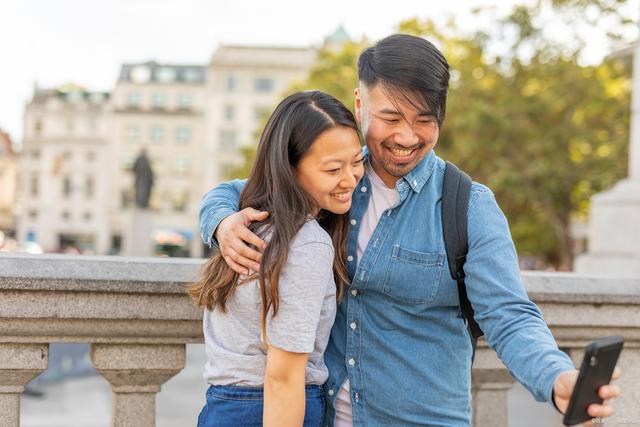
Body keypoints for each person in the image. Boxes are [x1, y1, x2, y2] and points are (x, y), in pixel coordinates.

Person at [199, 34, 621, 426]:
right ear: (360, 103)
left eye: (425, 120)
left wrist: (556, 377)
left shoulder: (468, 206)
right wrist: (221, 222)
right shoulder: (329, 180)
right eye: (391, 116)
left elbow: (508, 314)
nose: (407, 135)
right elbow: (240, 189)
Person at [188, 90, 364, 427]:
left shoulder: (251, 223)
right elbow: (283, 378)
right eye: (332, 169)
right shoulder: (307, 243)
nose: (350, 179)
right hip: (272, 410)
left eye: (356, 161)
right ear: (290, 168)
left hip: (223, 406)